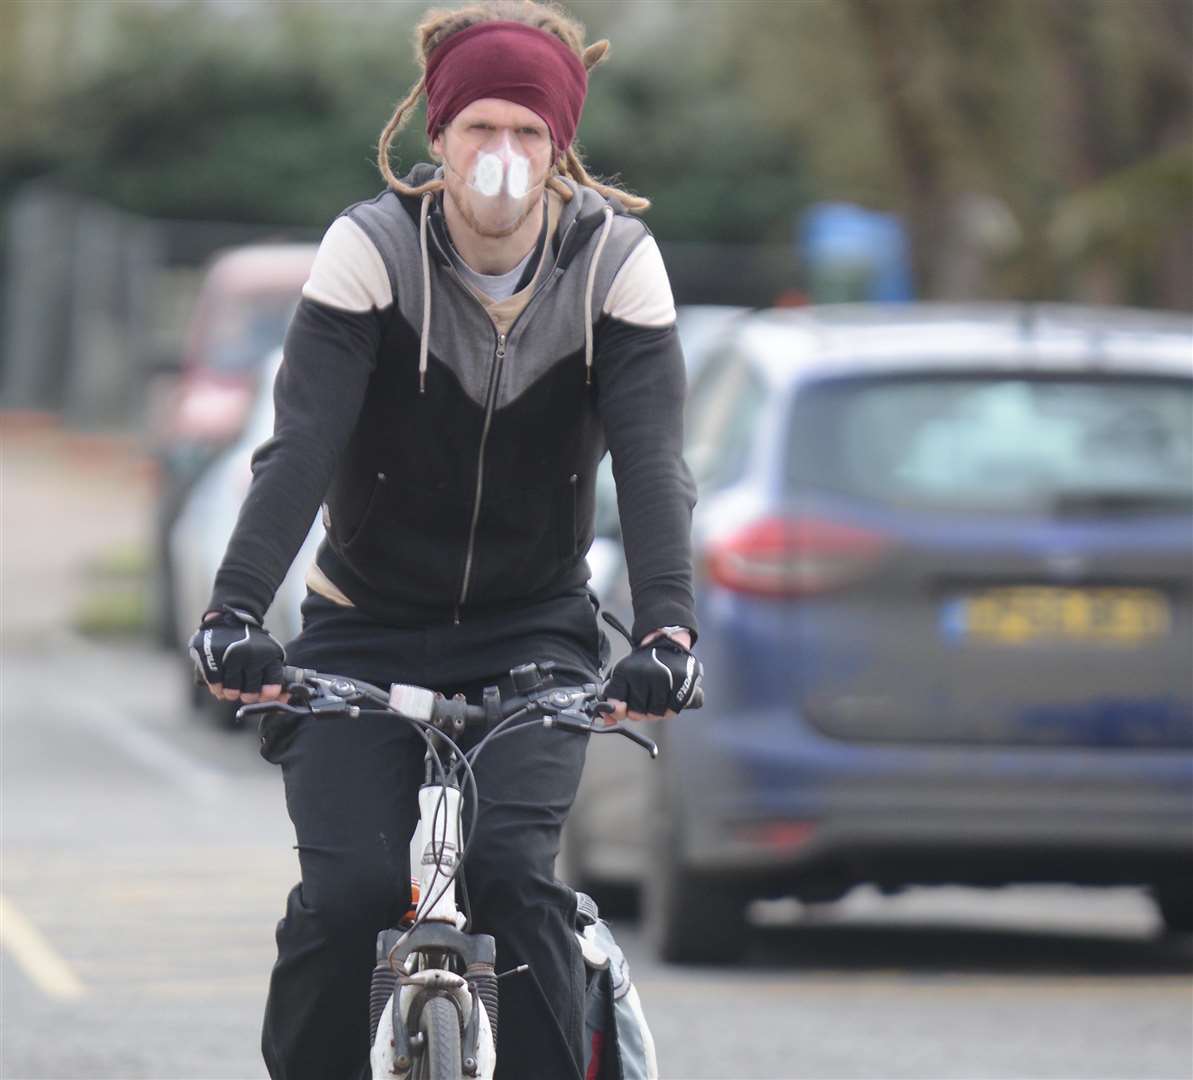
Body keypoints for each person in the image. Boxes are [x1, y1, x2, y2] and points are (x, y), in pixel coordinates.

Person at [188, 2, 702, 1077]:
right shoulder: (370, 250)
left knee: (518, 887)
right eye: (480, 130)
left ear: (559, 147)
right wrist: (233, 615)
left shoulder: (617, 265)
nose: (502, 159)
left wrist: (664, 632)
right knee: (346, 899)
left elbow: (653, 466)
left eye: (526, 133)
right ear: (437, 137)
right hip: (361, 627)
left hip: (533, 629)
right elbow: (300, 450)